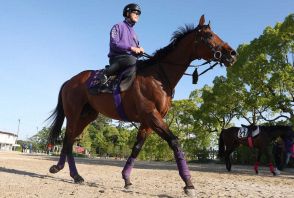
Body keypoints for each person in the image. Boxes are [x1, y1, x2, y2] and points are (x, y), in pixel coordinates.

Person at [102, 3, 144, 83]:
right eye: (135, 12)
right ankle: (106, 73)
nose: (137, 15)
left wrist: (140, 51)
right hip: (117, 58)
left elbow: (135, 51)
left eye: (138, 14)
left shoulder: (135, 34)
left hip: (130, 59)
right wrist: (131, 48)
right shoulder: (118, 26)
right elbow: (114, 44)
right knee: (132, 60)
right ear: (128, 13)